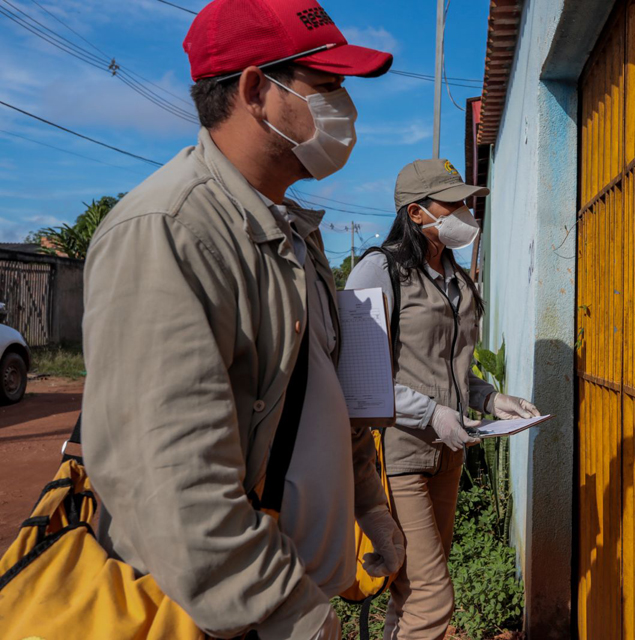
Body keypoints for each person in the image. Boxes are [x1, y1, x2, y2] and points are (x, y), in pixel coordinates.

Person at [80, 1, 404, 638]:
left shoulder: (290, 231)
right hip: (221, 617)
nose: (349, 109)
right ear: (257, 90)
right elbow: (175, 485)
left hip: (284, 596)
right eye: (329, 85)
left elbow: (321, 397)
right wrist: (295, 619)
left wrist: (369, 504)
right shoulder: (172, 230)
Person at [346, 159, 540, 640]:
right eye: (451, 203)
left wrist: (490, 399)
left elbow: (451, 367)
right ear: (416, 214)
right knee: (433, 596)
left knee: (411, 590)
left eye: (466, 202)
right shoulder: (378, 270)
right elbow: (358, 376)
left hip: (448, 454)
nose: (465, 212)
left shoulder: (457, 279)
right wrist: (431, 412)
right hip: (398, 455)